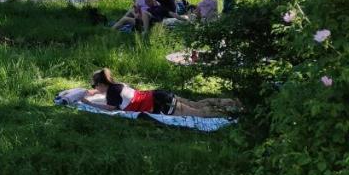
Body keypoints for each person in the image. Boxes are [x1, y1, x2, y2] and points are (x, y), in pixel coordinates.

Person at [81, 68, 240, 117]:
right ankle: (231, 103)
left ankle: (229, 114)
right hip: (159, 94)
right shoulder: (118, 85)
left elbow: (110, 109)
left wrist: (89, 103)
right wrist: (94, 92)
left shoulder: (111, 94)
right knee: (196, 104)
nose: (94, 87)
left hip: (159, 103)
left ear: (102, 84)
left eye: (94, 84)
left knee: (198, 113)